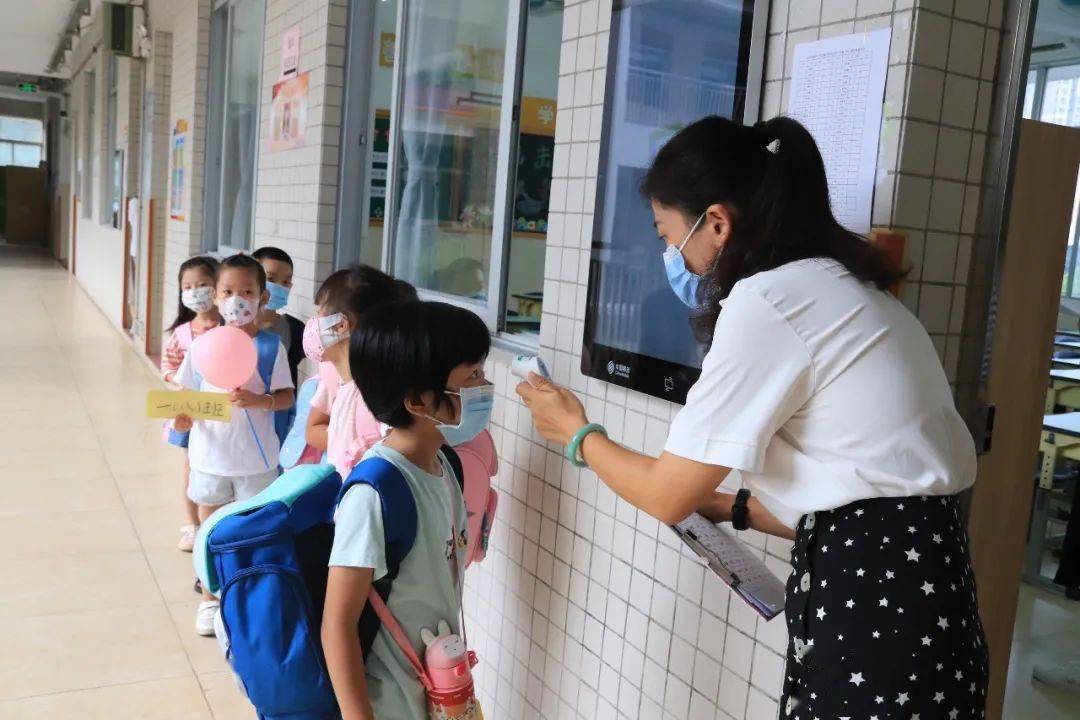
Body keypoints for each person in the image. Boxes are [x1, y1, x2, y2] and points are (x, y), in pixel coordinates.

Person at [517, 115, 988, 718]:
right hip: (930, 600)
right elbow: (869, 498)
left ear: (716, 222)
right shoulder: (849, 287)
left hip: (879, 617)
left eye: (667, 236)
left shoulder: (769, 300)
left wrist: (576, 433)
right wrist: (729, 506)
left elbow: (665, 493)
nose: (670, 256)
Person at [322, 300, 491, 720]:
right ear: (418, 401)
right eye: (471, 376)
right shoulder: (376, 492)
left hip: (438, 695)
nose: (483, 388)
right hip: (389, 704)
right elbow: (337, 625)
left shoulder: (445, 464)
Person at [173, 254, 295, 635]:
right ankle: (210, 598)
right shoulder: (201, 346)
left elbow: (287, 396)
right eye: (228, 291)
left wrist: (261, 402)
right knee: (210, 530)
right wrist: (182, 416)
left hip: (256, 461)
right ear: (216, 295)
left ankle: (246, 598)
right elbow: (185, 393)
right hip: (210, 457)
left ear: (262, 298)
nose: (237, 300)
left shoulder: (271, 347)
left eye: (247, 291)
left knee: (254, 531)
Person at [304, 266, 418, 480]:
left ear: (340, 325)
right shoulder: (345, 386)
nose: (312, 324)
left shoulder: (375, 397)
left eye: (319, 314)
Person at [161, 255, 221, 552]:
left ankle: (216, 518)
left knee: (217, 463)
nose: (195, 291)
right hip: (189, 407)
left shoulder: (228, 328)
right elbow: (167, 367)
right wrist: (180, 378)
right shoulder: (182, 333)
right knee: (190, 464)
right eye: (188, 286)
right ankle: (191, 525)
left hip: (221, 410)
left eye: (202, 284)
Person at [252, 246, 306, 386]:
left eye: (286, 282)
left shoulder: (296, 330)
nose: (279, 287)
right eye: (270, 278)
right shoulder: (228, 325)